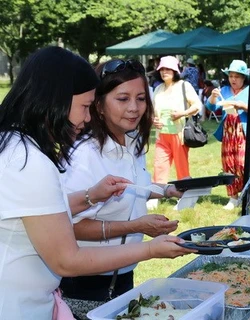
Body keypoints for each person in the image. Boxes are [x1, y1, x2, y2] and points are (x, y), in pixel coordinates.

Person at [0, 47, 196, 319]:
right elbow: (67, 260)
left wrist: (90, 196)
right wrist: (151, 248)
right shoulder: (29, 160)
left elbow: (38, 212)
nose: (87, 117)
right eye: (84, 106)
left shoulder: (15, 146)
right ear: (55, 101)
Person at [58, 59, 185, 318]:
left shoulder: (131, 141)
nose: (134, 108)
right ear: (99, 105)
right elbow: (66, 226)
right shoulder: (84, 154)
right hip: (84, 285)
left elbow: (133, 186)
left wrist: (167, 190)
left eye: (141, 98)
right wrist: (136, 226)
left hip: (124, 276)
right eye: (123, 99)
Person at [205, 60, 250, 210]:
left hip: (243, 131)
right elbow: (210, 106)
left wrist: (242, 106)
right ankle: (233, 197)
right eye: (231, 76)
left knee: (243, 163)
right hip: (228, 132)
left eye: (237, 76)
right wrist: (213, 96)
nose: (233, 79)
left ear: (244, 78)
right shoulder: (224, 90)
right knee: (228, 163)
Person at [152, 56, 202, 184]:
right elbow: (152, 111)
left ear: (175, 71)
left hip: (179, 134)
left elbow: (197, 106)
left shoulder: (184, 86)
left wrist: (182, 113)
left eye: (168, 69)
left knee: (182, 168)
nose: (164, 72)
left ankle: (185, 195)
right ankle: (157, 194)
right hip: (161, 135)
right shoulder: (158, 89)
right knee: (159, 166)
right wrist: (153, 120)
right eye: (162, 69)